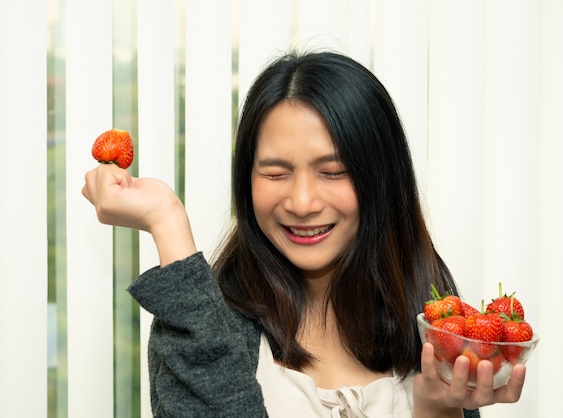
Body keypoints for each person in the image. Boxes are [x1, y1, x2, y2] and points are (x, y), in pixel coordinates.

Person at [82, 51, 526, 418]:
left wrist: (437, 409)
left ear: (382, 179)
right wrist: (167, 221)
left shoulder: (433, 327)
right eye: (275, 173)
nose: (302, 202)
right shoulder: (202, 327)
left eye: (332, 172)